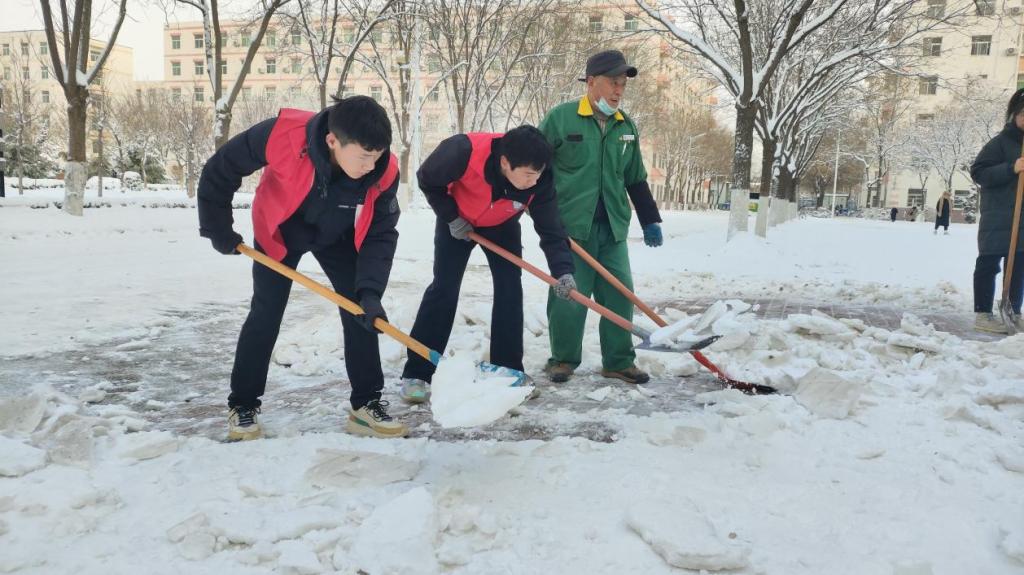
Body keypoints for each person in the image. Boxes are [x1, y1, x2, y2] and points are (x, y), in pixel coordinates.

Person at [197, 96, 408, 440]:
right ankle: (243, 404)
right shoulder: (283, 135)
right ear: (332, 141)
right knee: (266, 313)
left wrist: (370, 291)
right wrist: (216, 226)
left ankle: (366, 404)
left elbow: (381, 234)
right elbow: (222, 168)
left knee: (361, 311)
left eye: (378, 155)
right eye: (363, 156)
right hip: (280, 229)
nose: (371, 165)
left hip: (338, 236)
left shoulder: (384, 171)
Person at [398, 126, 576, 403]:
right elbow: (427, 179)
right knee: (444, 288)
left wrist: (563, 271)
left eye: (538, 174)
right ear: (505, 162)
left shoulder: (540, 179)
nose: (534, 180)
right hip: (458, 221)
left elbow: (551, 230)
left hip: (502, 224)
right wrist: (451, 217)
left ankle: (508, 370)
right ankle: (417, 373)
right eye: (528, 174)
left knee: (510, 289)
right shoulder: (462, 151)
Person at [539, 49, 663, 385]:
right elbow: (537, 169)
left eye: (623, 84)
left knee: (620, 294)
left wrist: (650, 220)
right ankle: (562, 359)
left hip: (613, 228)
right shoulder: (561, 118)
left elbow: (635, 178)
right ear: (592, 81)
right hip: (571, 230)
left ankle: (619, 361)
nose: (619, 90)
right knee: (570, 296)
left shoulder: (626, 126)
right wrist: (541, 215)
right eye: (613, 82)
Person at [969, 88, 1024, 334]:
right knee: (989, 264)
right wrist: (1011, 168)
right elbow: (979, 172)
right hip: (998, 217)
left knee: (1019, 267)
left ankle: (1013, 312)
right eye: (1023, 113)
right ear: (1014, 115)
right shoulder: (999, 143)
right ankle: (983, 314)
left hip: (1022, 220)